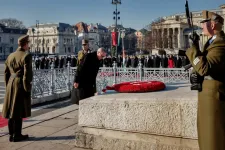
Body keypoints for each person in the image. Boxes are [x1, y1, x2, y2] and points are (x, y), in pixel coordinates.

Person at [186, 10, 225, 150]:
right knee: (206, 138)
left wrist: (193, 48)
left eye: (203, 22)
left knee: (212, 141)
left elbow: (204, 67)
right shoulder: (211, 42)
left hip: (213, 99)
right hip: (207, 97)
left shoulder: (220, 43)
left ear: (212, 25)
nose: (201, 25)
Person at [2, 35, 33, 142]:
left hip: (11, 83)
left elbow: (6, 73)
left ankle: (11, 134)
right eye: (28, 44)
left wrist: (8, 85)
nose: (28, 46)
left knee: (11, 109)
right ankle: (17, 134)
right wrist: (27, 87)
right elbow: (27, 75)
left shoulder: (10, 55)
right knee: (18, 110)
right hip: (20, 84)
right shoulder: (26, 55)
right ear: (25, 44)